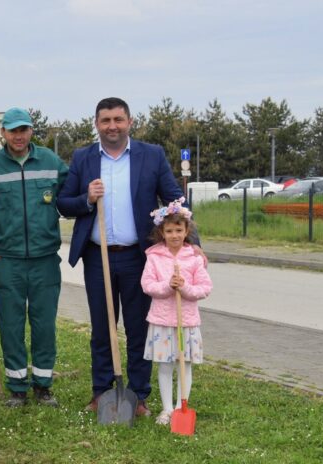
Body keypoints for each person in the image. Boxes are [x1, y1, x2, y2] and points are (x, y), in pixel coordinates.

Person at [56, 97, 197, 417]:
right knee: (102, 328)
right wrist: (87, 198)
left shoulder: (152, 155)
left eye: (118, 119)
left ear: (130, 122)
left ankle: (139, 396)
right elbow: (64, 203)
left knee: (138, 328)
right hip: (98, 257)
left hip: (139, 257)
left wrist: (193, 242)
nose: (112, 126)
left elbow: (176, 199)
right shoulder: (83, 158)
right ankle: (102, 392)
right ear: (96, 124)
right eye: (105, 120)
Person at [0, 107, 69, 407]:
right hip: (6, 260)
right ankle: (16, 388)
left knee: (44, 324)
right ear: (3, 133)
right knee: (11, 324)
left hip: (45, 259)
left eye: (23, 130)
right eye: (13, 130)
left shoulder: (51, 162)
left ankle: (43, 385)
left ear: (31, 131)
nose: (18, 136)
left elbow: (70, 196)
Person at [141, 198, 212, 425]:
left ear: (186, 230)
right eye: (169, 230)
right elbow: (147, 285)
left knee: (185, 364)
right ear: (162, 231)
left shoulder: (194, 258)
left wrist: (185, 287)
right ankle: (167, 409)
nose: (174, 235)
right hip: (163, 321)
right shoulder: (154, 257)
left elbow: (205, 288)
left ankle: (183, 406)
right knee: (165, 364)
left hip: (187, 321)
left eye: (179, 230)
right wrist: (166, 286)